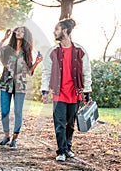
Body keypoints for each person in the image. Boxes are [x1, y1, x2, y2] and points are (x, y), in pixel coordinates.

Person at [41, 18, 92, 161]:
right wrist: (44, 91)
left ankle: (68, 147)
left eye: (56, 29)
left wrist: (87, 91)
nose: (54, 32)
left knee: (70, 123)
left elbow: (86, 71)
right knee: (60, 123)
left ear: (65, 31)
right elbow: (46, 72)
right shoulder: (53, 52)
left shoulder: (80, 51)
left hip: (74, 93)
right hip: (59, 93)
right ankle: (61, 151)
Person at [0, 27, 43, 149]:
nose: (19, 32)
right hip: (5, 83)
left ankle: (14, 138)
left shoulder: (26, 52)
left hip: (20, 85)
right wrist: (4, 38)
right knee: (4, 111)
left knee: (18, 112)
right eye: (18, 30)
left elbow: (29, 72)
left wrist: (36, 62)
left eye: (22, 31)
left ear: (26, 35)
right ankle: (6, 136)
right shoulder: (7, 49)